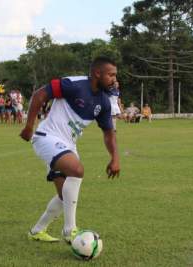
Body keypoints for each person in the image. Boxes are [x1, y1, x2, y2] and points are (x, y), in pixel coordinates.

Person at [20, 56, 120, 243]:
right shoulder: (74, 84)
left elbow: (109, 133)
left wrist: (115, 158)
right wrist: (28, 126)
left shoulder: (104, 102)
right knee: (77, 170)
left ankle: (37, 231)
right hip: (47, 137)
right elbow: (40, 95)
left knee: (63, 195)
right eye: (111, 75)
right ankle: (70, 231)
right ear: (97, 73)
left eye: (115, 75)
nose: (114, 79)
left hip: (68, 144)